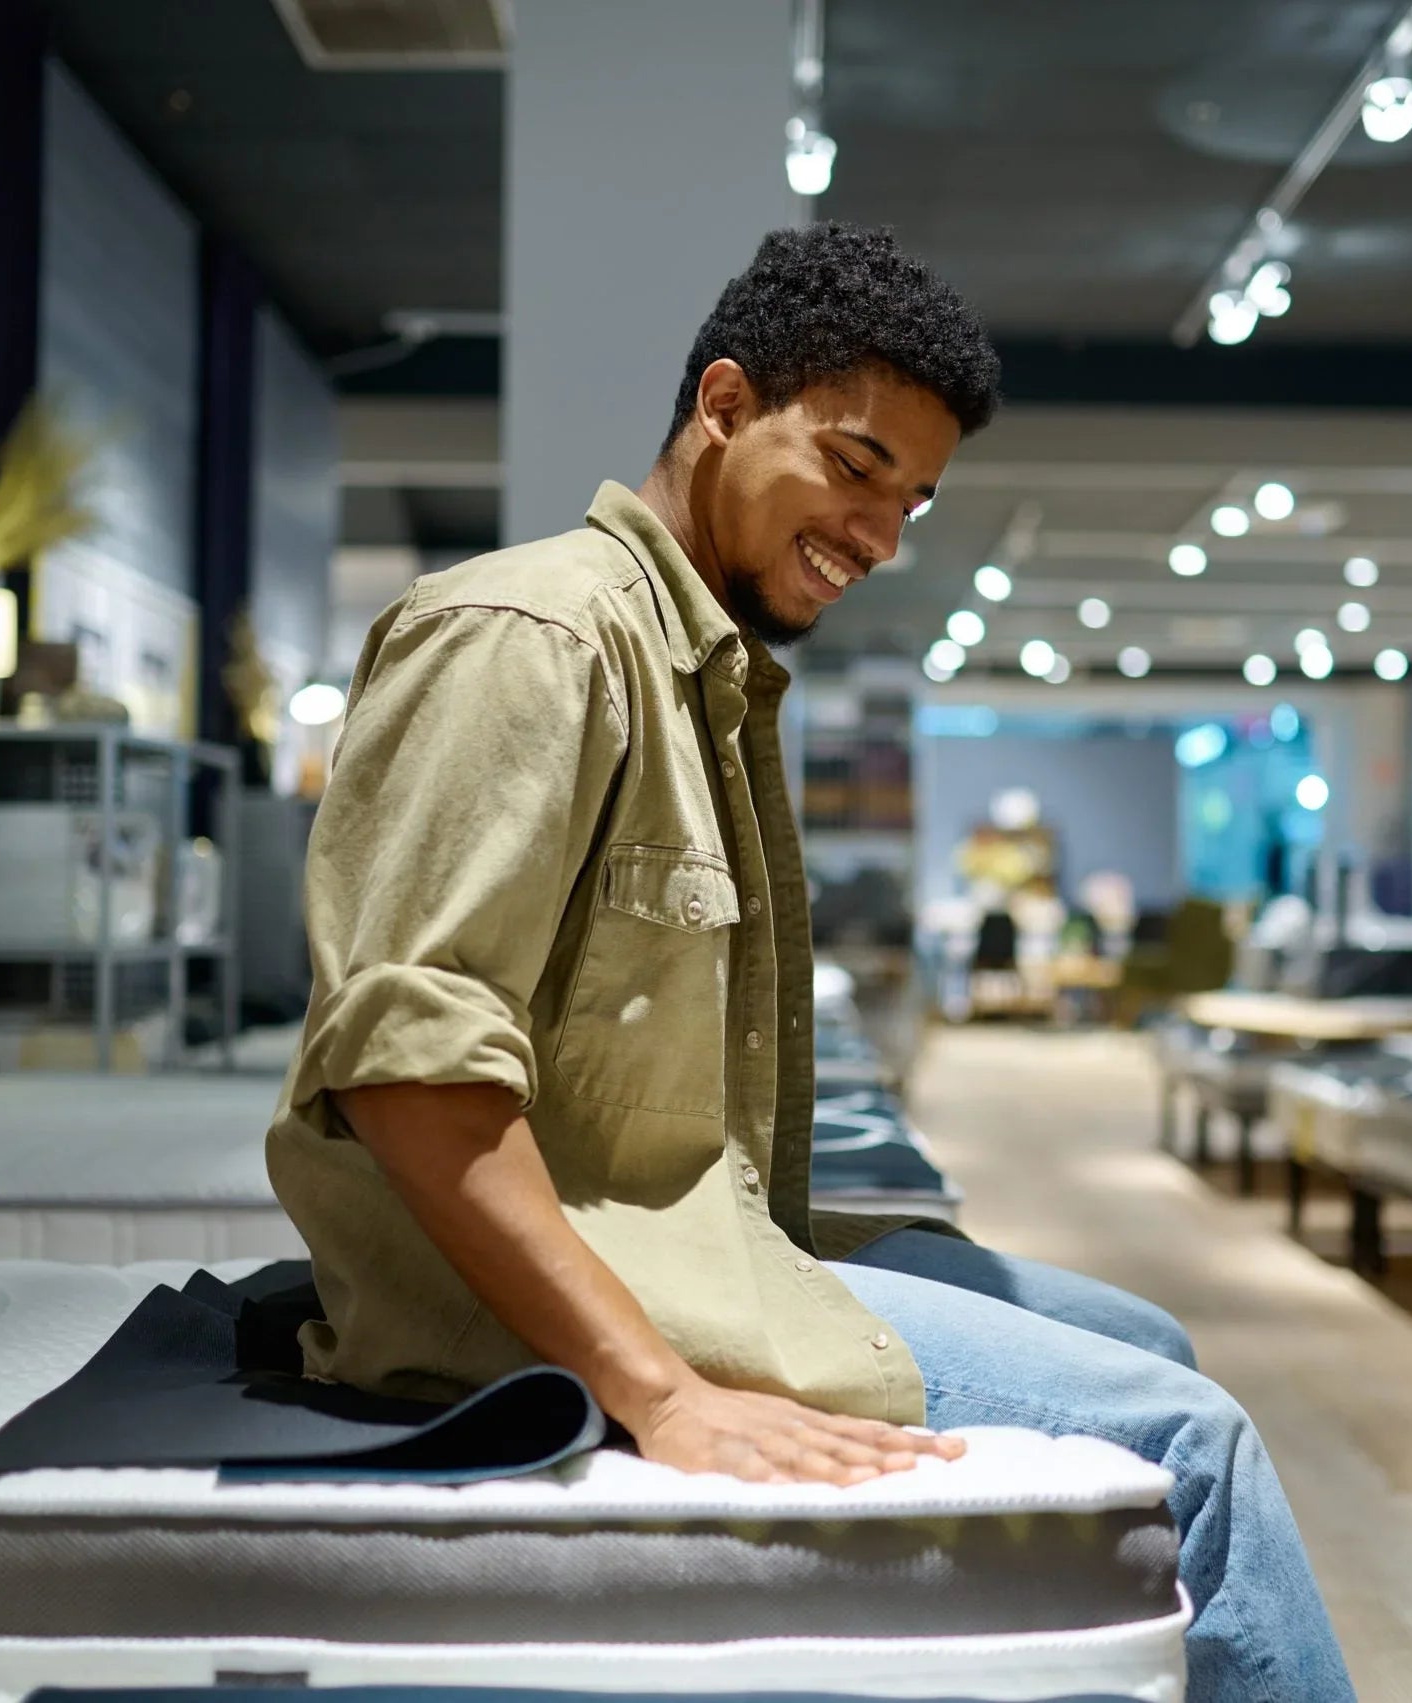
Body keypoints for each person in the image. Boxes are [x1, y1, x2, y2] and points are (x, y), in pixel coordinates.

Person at [267, 223, 1353, 1702]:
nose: (884, 535)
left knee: (1149, 1336)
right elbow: (407, 1072)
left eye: (912, 499)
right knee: (1194, 1449)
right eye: (854, 468)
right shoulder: (536, 636)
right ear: (722, 405)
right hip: (544, 1310)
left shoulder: (698, 670)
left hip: (689, 1238)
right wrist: (662, 1394)